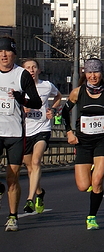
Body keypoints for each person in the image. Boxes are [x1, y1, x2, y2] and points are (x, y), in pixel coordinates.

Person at [61, 58, 104, 230]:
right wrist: (68, 132)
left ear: (101, 73)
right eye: (89, 72)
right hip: (83, 141)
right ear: (85, 73)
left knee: (97, 181)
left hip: (102, 140)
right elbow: (63, 113)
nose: (93, 76)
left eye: (96, 72)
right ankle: (90, 169)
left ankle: (91, 217)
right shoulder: (78, 92)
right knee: (83, 186)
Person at [0, 36, 42, 231]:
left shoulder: (21, 75)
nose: (3, 55)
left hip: (15, 133)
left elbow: (36, 102)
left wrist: (20, 99)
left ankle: (12, 216)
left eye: (7, 51)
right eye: (0, 52)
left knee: (12, 176)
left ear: (14, 54)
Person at [22, 59, 62, 214]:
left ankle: (30, 199)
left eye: (34, 67)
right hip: (26, 131)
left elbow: (58, 96)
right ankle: (39, 192)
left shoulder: (46, 86)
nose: (31, 70)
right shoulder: (20, 87)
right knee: (30, 168)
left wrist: (52, 108)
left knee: (36, 161)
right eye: (28, 67)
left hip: (42, 129)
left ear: (39, 70)